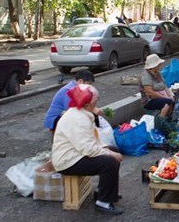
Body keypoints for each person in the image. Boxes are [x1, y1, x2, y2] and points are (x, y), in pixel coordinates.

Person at [51, 84, 124, 215]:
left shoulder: (80, 113)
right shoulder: (77, 119)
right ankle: (103, 202)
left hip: (75, 154)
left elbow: (93, 139)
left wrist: (108, 149)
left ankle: (103, 192)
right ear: (89, 103)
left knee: (114, 151)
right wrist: (108, 153)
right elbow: (87, 148)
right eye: (96, 100)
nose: (97, 102)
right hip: (67, 162)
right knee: (110, 162)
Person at [139, 54, 175, 119]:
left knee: (174, 100)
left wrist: (170, 95)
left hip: (160, 96)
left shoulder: (158, 73)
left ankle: (168, 118)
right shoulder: (145, 75)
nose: (160, 65)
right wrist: (164, 97)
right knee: (168, 102)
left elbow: (164, 86)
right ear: (155, 65)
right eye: (159, 64)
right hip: (149, 101)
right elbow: (149, 92)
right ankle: (160, 120)